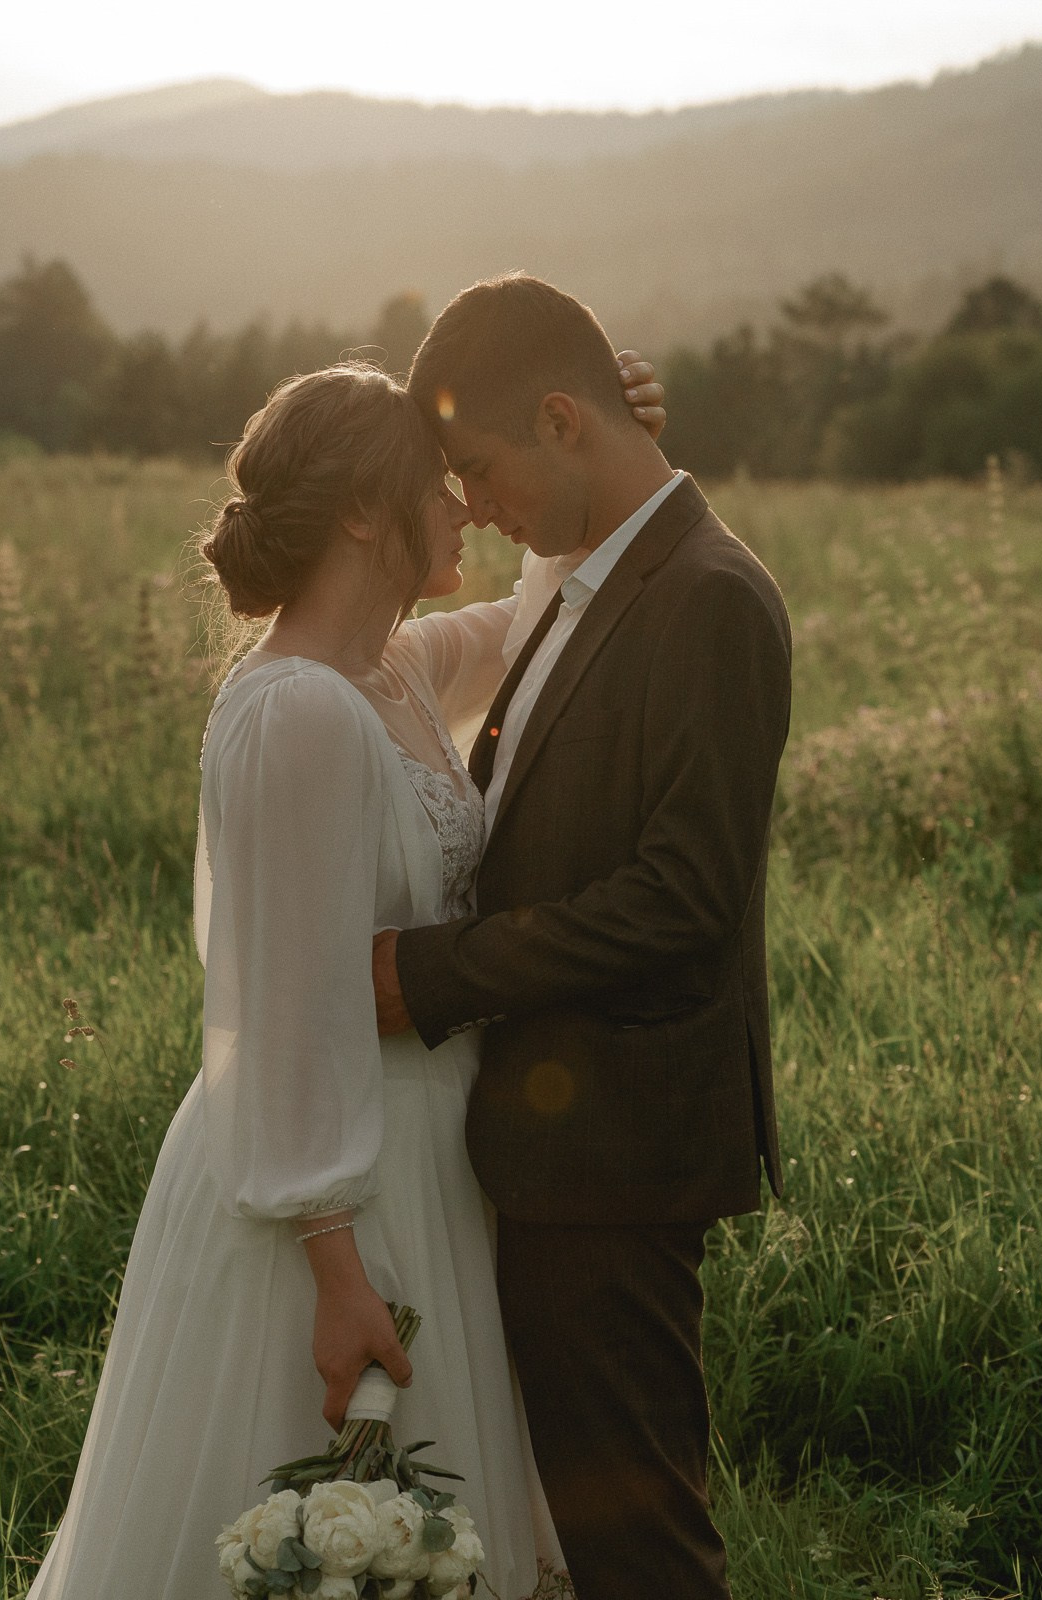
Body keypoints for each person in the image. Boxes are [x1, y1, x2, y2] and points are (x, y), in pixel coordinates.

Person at [26, 353, 667, 1600]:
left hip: (426, 1153)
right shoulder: (301, 712)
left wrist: (608, 450)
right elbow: (281, 1003)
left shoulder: (395, 670)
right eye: (441, 486)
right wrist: (336, 1272)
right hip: (328, 1186)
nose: (467, 508)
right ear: (367, 512)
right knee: (324, 1516)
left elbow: (548, 608)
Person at [373, 274, 794, 1600]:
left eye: (485, 471)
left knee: (638, 1546)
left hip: (619, 1145)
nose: (477, 508)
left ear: (562, 421)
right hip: (560, 1139)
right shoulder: (585, 578)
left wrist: (423, 977)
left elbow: (683, 899)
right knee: (579, 1532)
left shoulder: (710, 598)